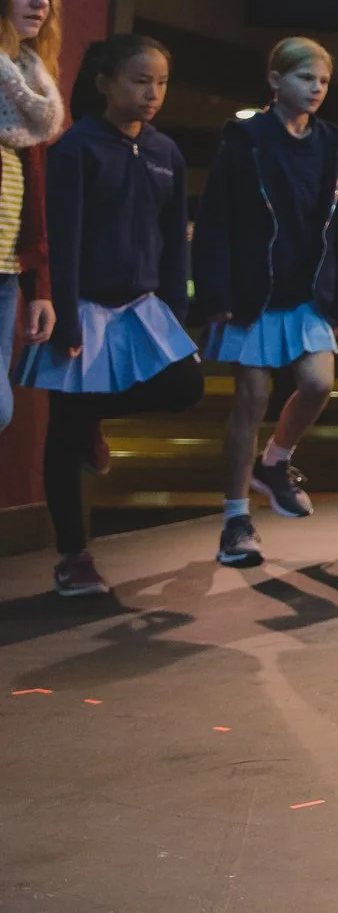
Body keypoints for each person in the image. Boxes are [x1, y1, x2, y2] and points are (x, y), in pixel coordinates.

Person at [26, 34, 202, 597]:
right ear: (105, 83)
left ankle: (92, 420)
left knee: (184, 385)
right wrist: (68, 317)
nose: (152, 93)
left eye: (161, 83)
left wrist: (177, 316)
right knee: (65, 424)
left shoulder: (165, 152)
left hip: (142, 305)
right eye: (139, 81)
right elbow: (65, 237)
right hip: (80, 303)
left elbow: (175, 244)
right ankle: (74, 555)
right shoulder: (77, 148)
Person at [193, 37, 338, 570]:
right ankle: (236, 519)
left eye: (323, 81)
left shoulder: (331, 142)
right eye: (305, 78)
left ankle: (276, 460)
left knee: (317, 382)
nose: (315, 89)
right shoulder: (246, 139)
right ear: (275, 81)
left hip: (307, 291)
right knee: (252, 397)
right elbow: (216, 219)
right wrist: (213, 292)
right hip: (253, 292)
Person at [0, 0, 63, 443]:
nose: (40, 2)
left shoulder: (31, 88)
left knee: (1, 409)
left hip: (5, 272)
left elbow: (36, 200)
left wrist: (39, 287)